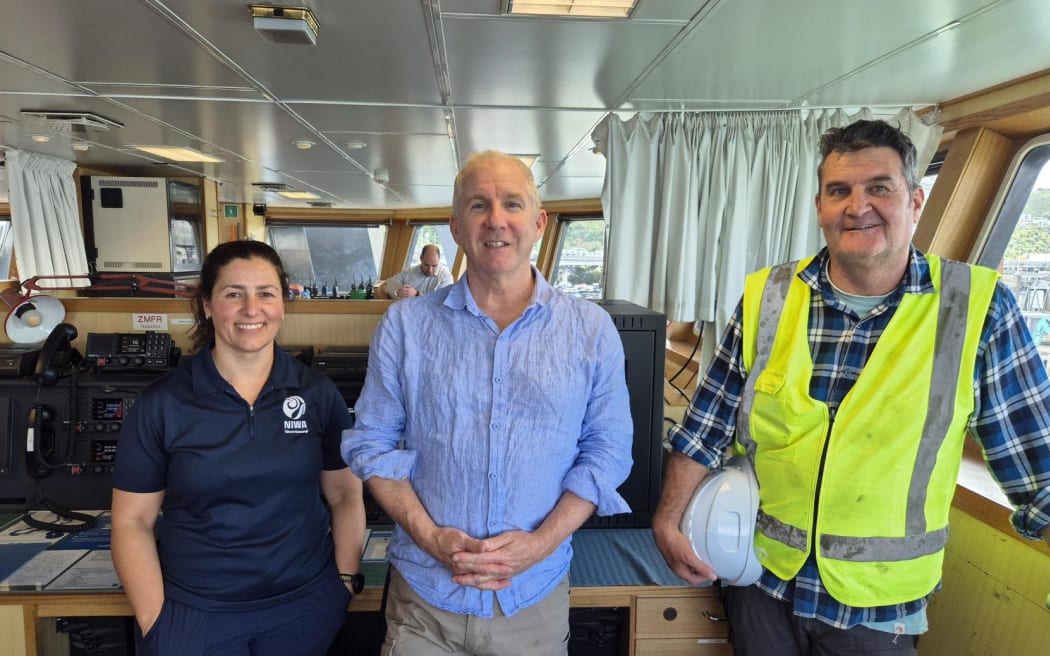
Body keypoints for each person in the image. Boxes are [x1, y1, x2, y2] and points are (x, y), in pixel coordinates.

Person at [652, 119, 1050, 656]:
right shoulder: (768, 296)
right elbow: (706, 425)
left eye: (879, 188)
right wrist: (668, 517)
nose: (857, 206)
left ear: (915, 199)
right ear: (820, 206)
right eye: (839, 190)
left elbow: (1036, 465)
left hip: (878, 611)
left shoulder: (977, 309)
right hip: (763, 581)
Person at [342, 150, 634, 655]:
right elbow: (371, 443)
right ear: (456, 227)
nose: (496, 219)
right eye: (479, 206)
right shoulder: (406, 326)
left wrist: (539, 545)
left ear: (539, 223)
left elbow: (607, 452)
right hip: (424, 603)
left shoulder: (590, 331)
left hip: (532, 602)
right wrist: (431, 538)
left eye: (512, 204)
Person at [111, 240, 367, 656]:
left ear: (283, 303)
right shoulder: (163, 403)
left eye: (266, 293)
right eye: (234, 294)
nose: (252, 309)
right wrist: (155, 620)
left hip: (303, 611)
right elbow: (131, 523)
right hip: (194, 615)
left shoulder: (316, 393)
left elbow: (344, 495)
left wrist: (343, 581)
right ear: (208, 305)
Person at [380, 243, 453, 298]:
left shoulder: (445, 277)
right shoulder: (409, 273)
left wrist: (416, 294)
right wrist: (396, 292)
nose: (430, 270)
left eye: (434, 265)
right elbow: (387, 286)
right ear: (421, 259)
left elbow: (441, 301)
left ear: (439, 260)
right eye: (426, 265)